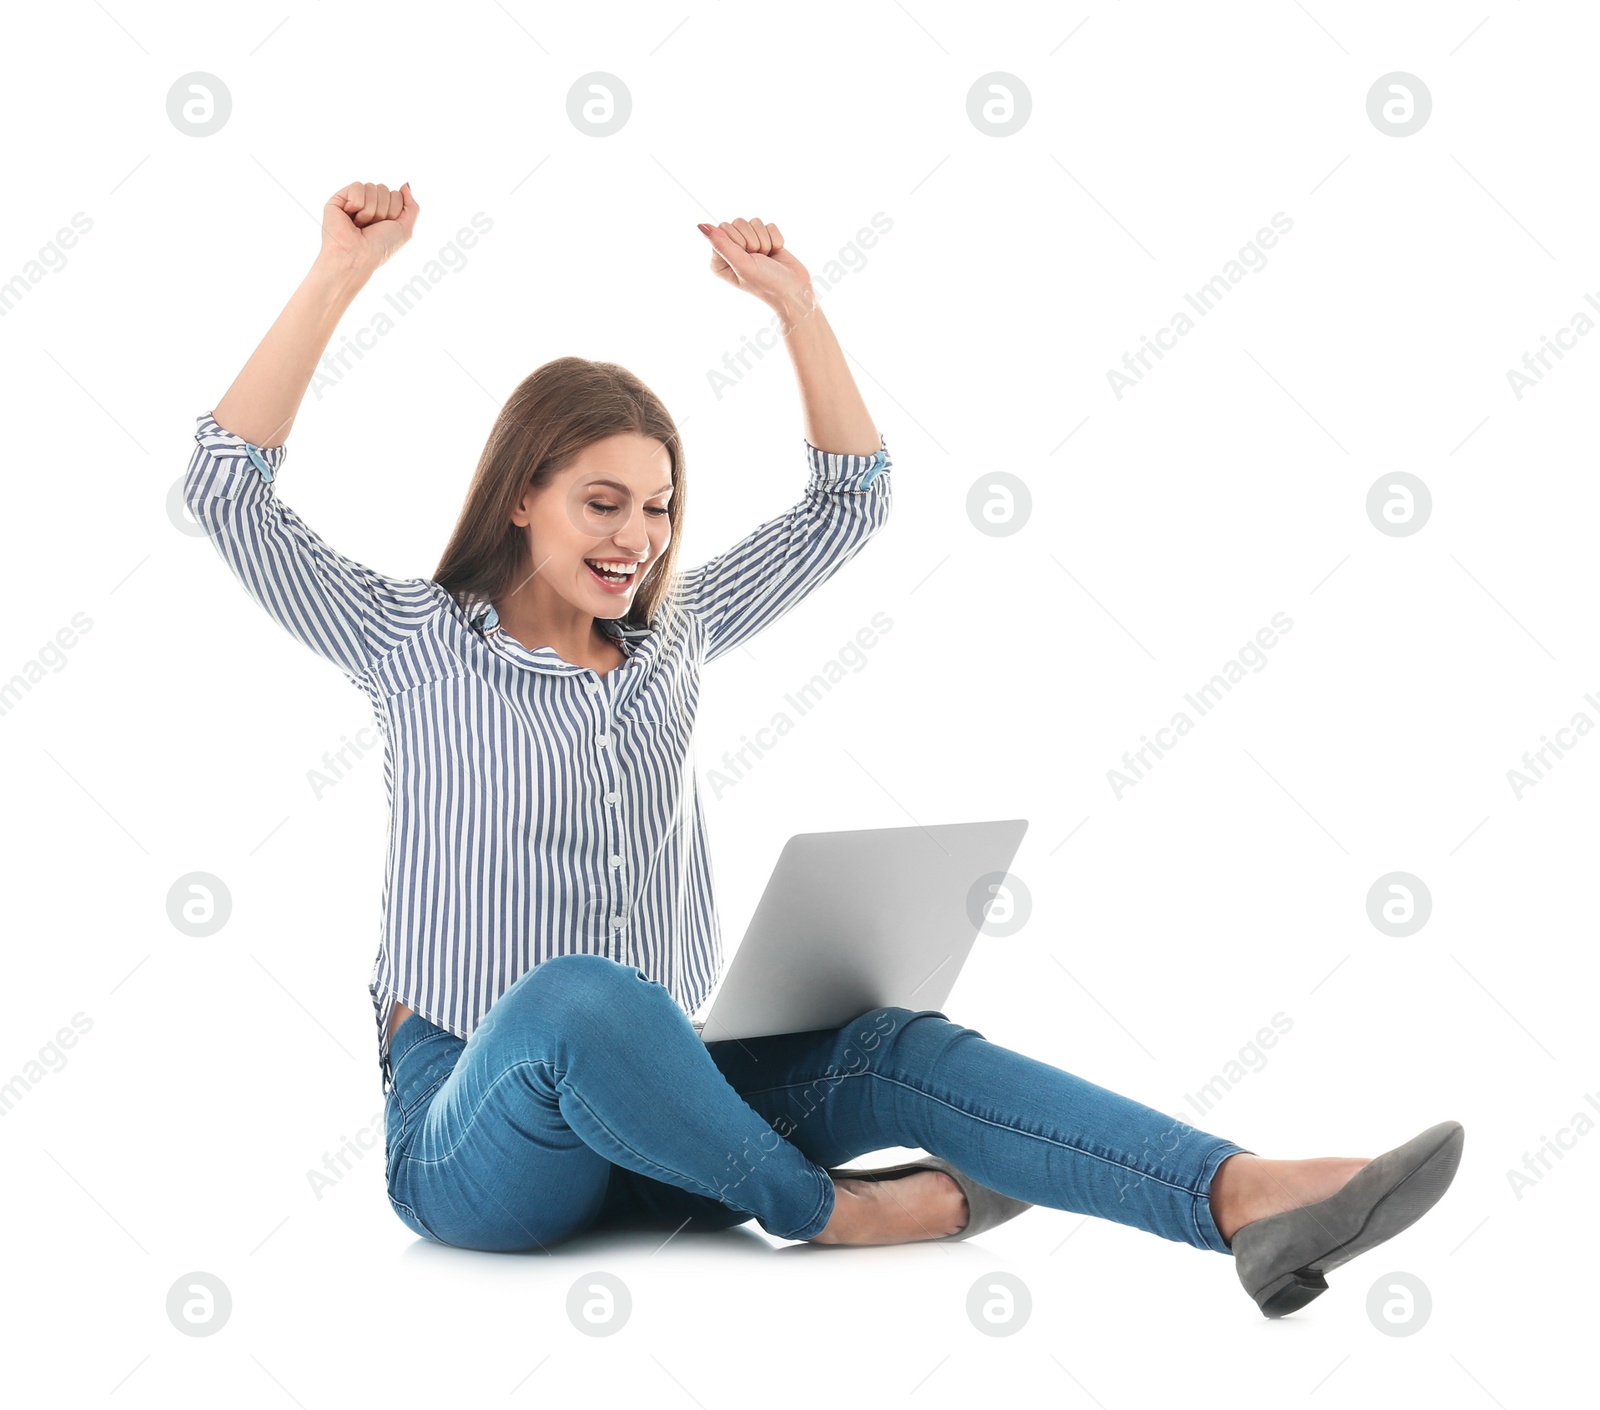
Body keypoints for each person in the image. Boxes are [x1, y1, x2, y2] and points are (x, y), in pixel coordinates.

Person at [186, 180, 1463, 1317]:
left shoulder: (672, 637)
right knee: (582, 994)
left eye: (660, 505)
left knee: (899, 1042)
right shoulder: (413, 639)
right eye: (602, 501)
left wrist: (796, 308)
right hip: (479, 1148)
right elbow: (225, 487)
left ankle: (1240, 1198)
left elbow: (848, 498)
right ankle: (833, 1211)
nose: (638, 534)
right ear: (521, 496)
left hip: (670, 1132)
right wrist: (339, 273)